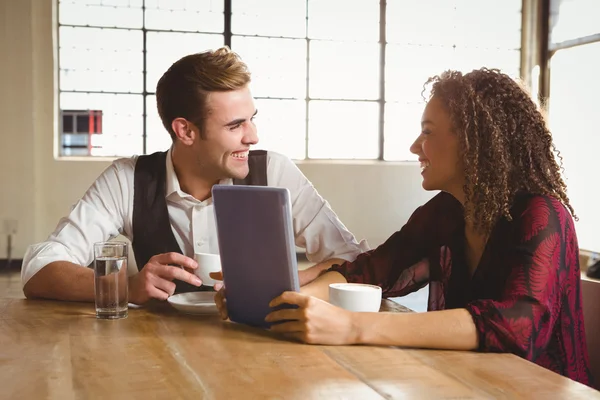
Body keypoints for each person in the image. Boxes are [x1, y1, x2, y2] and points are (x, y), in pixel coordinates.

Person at [217, 68, 593, 386]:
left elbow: (517, 326)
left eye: (428, 132)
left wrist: (353, 327)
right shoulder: (445, 212)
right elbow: (369, 270)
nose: (415, 146)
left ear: (473, 143)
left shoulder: (542, 214)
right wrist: (281, 301)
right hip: (467, 384)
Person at [21, 47, 367, 305]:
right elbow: (40, 269)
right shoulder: (128, 179)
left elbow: (353, 259)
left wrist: (295, 279)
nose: (253, 136)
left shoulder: (273, 171)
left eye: (252, 118)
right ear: (185, 131)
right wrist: (125, 286)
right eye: (235, 125)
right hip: (157, 353)